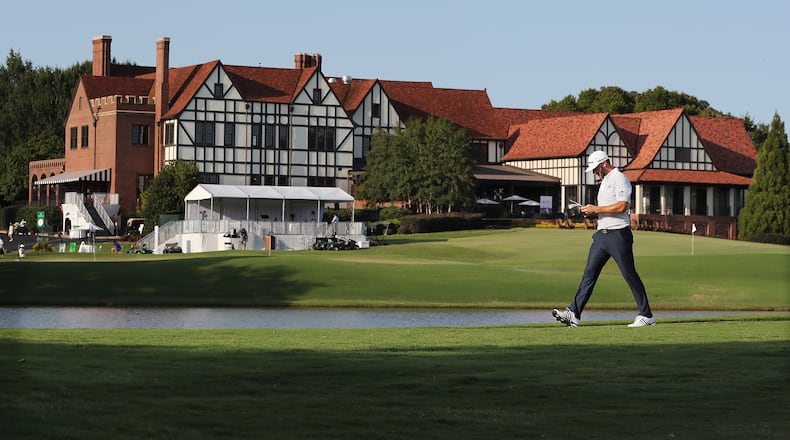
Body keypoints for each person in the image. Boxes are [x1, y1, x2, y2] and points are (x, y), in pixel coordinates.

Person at [552, 150, 655, 328]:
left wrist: (596, 209)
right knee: (589, 274)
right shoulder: (605, 181)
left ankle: (646, 315)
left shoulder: (620, 178)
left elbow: (622, 206)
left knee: (629, 274)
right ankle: (573, 314)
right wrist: (591, 213)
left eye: (595, 168)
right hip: (602, 236)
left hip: (618, 235)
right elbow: (605, 209)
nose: (593, 172)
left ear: (604, 164)